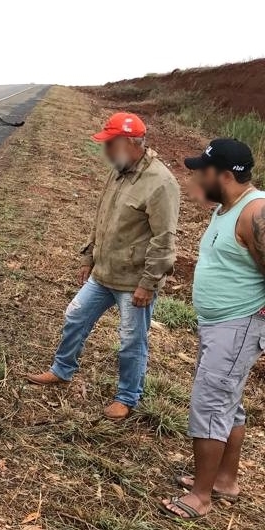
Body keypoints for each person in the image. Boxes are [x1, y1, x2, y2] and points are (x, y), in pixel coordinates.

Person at [26, 112, 180, 420]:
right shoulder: (120, 171)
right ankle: (62, 369)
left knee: (130, 341)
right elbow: (102, 219)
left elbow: (164, 241)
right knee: (74, 317)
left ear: (126, 142)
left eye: (109, 144)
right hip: (104, 272)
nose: (105, 150)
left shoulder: (161, 183)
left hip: (134, 283)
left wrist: (148, 284)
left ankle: (127, 397)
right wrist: (89, 258)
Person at [161, 139, 264, 520]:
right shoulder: (227, 207)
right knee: (228, 405)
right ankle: (224, 480)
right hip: (220, 324)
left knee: (210, 404)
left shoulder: (256, 212)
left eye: (202, 171)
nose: (196, 177)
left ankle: (201, 497)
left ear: (225, 175)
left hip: (238, 325)